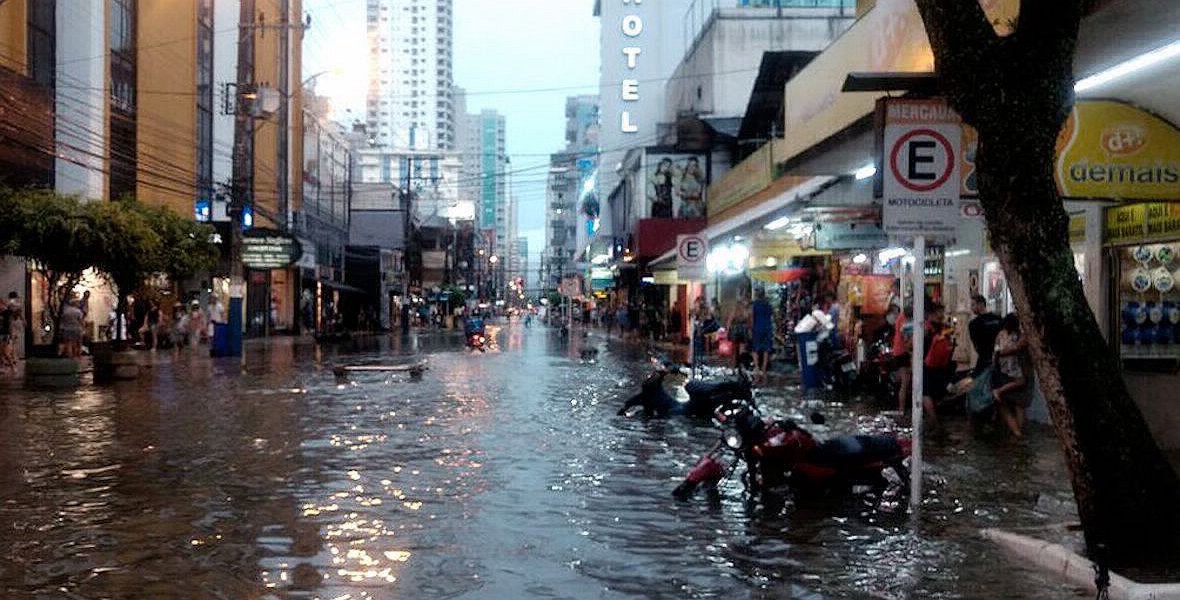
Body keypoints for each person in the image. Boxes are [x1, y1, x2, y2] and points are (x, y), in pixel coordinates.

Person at [993, 313, 1030, 438]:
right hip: (1016, 368)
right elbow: (1016, 348)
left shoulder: (1000, 334)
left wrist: (996, 361)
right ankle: (1018, 433)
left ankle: (1016, 433)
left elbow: (997, 351)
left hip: (1004, 369)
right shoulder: (1018, 335)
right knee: (1018, 403)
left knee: (1005, 404)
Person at [921, 303, 955, 429]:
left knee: (925, 393)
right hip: (941, 365)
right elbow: (951, 345)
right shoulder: (946, 328)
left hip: (928, 364)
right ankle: (934, 421)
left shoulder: (926, 327)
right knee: (934, 393)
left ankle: (934, 421)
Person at [968, 295, 1002, 376]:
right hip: (999, 357)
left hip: (984, 359)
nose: (971, 308)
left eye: (973, 305)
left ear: (981, 304)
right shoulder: (998, 318)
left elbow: (977, 345)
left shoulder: (974, 324)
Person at [750, 288, 775, 383]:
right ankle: (763, 368)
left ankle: (756, 367)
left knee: (755, 348)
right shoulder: (768, 304)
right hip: (767, 328)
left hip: (757, 328)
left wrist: (751, 328)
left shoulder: (755, 305)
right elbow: (774, 315)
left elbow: (752, 317)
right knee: (766, 349)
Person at [726, 295, 751, 368]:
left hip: (735, 330)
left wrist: (727, 331)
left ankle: (734, 365)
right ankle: (740, 364)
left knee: (734, 349)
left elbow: (729, 321)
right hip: (743, 330)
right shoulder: (745, 311)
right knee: (741, 349)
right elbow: (748, 321)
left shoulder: (734, 311)